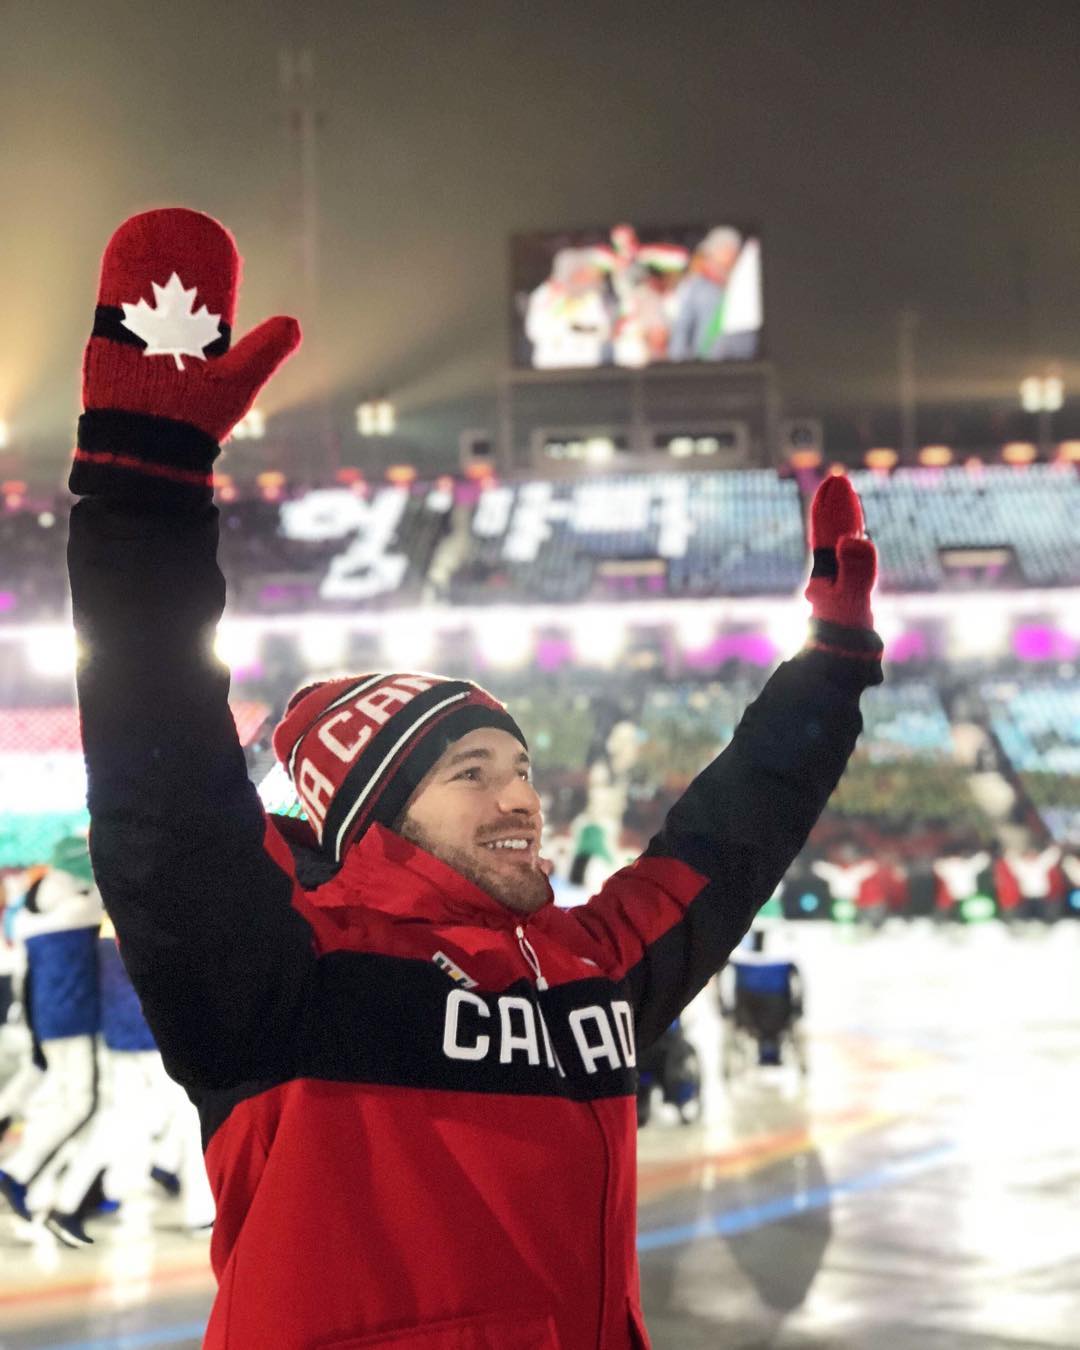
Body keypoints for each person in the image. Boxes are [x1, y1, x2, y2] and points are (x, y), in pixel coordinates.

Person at [66, 208, 883, 1350]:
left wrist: (830, 672)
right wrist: (146, 497)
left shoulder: (592, 966)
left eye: (520, 766)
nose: (520, 797)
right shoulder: (282, 978)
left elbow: (728, 843)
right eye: (470, 772)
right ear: (378, 818)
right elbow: (162, 782)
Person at [0, 837, 102, 1240]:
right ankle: (19, 1172)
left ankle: (27, 1177)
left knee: (59, 1099)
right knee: (80, 1103)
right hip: (75, 1019)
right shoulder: (82, 908)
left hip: (47, 1019)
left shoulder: (28, 915)